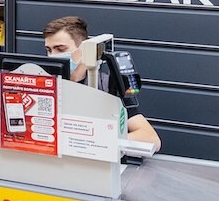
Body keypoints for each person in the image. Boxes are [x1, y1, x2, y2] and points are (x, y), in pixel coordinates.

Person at [42, 16, 161, 150]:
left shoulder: (107, 85)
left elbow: (151, 139)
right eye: (49, 50)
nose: (52, 56)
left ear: (83, 49)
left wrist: (100, 143)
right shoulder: (42, 85)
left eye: (60, 49)